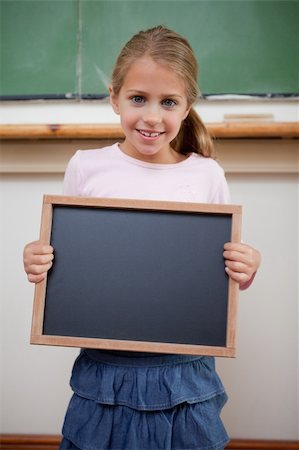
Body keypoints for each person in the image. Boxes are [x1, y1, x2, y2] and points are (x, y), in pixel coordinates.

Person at [23, 26, 261, 450]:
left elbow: (220, 274)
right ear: (114, 96)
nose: (152, 116)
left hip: (184, 371)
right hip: (105, 368)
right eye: (138, 99)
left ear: (187, 106)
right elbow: (68, 258)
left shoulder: (205, 174)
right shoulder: (86, 167)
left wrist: (246, 268)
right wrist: (38, 258)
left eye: (168, 102)